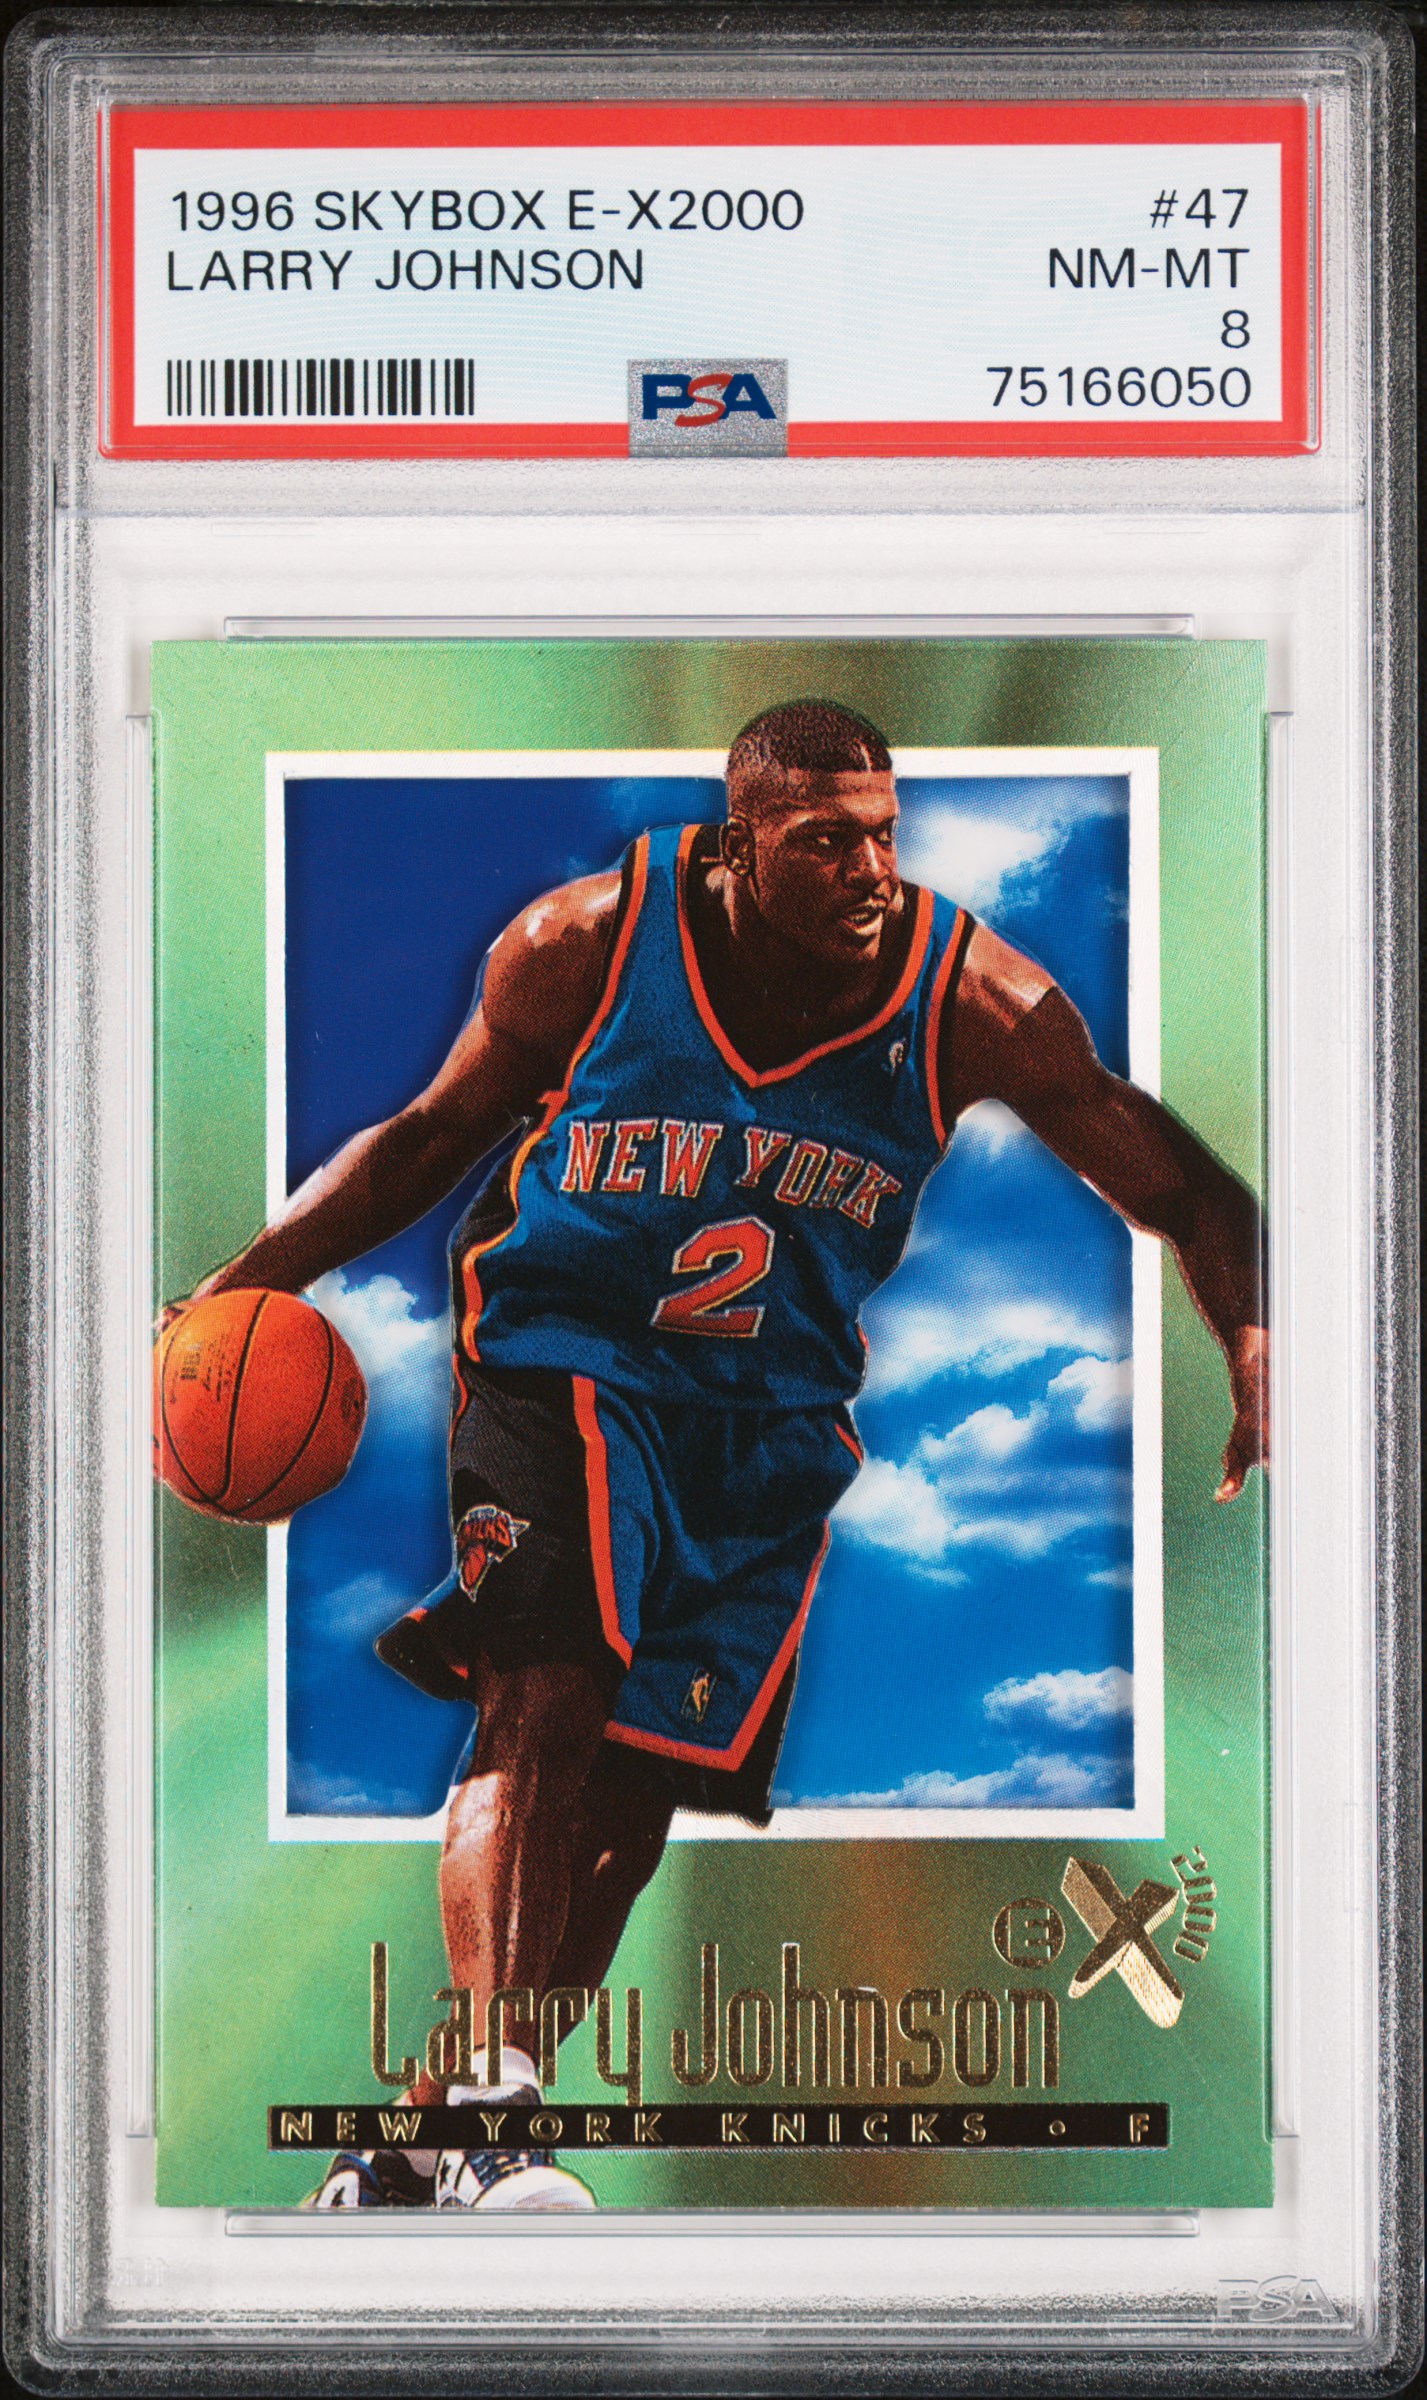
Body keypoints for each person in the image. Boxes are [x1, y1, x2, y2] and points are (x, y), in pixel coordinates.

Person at [183, 699, 1268, 2210]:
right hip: (565, 1362)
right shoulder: (582, 945)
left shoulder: (976, 1002)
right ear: (736, 848)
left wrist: (1254, 1337)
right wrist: (242, 1283)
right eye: (825, 843)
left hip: (766, 1433)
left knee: (626, 1817)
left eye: (884, 835)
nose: (870, 872)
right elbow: (426, 1139)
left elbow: (1186, 1184)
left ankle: (409, 2152)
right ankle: (499, 2120)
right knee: (545, 1692)